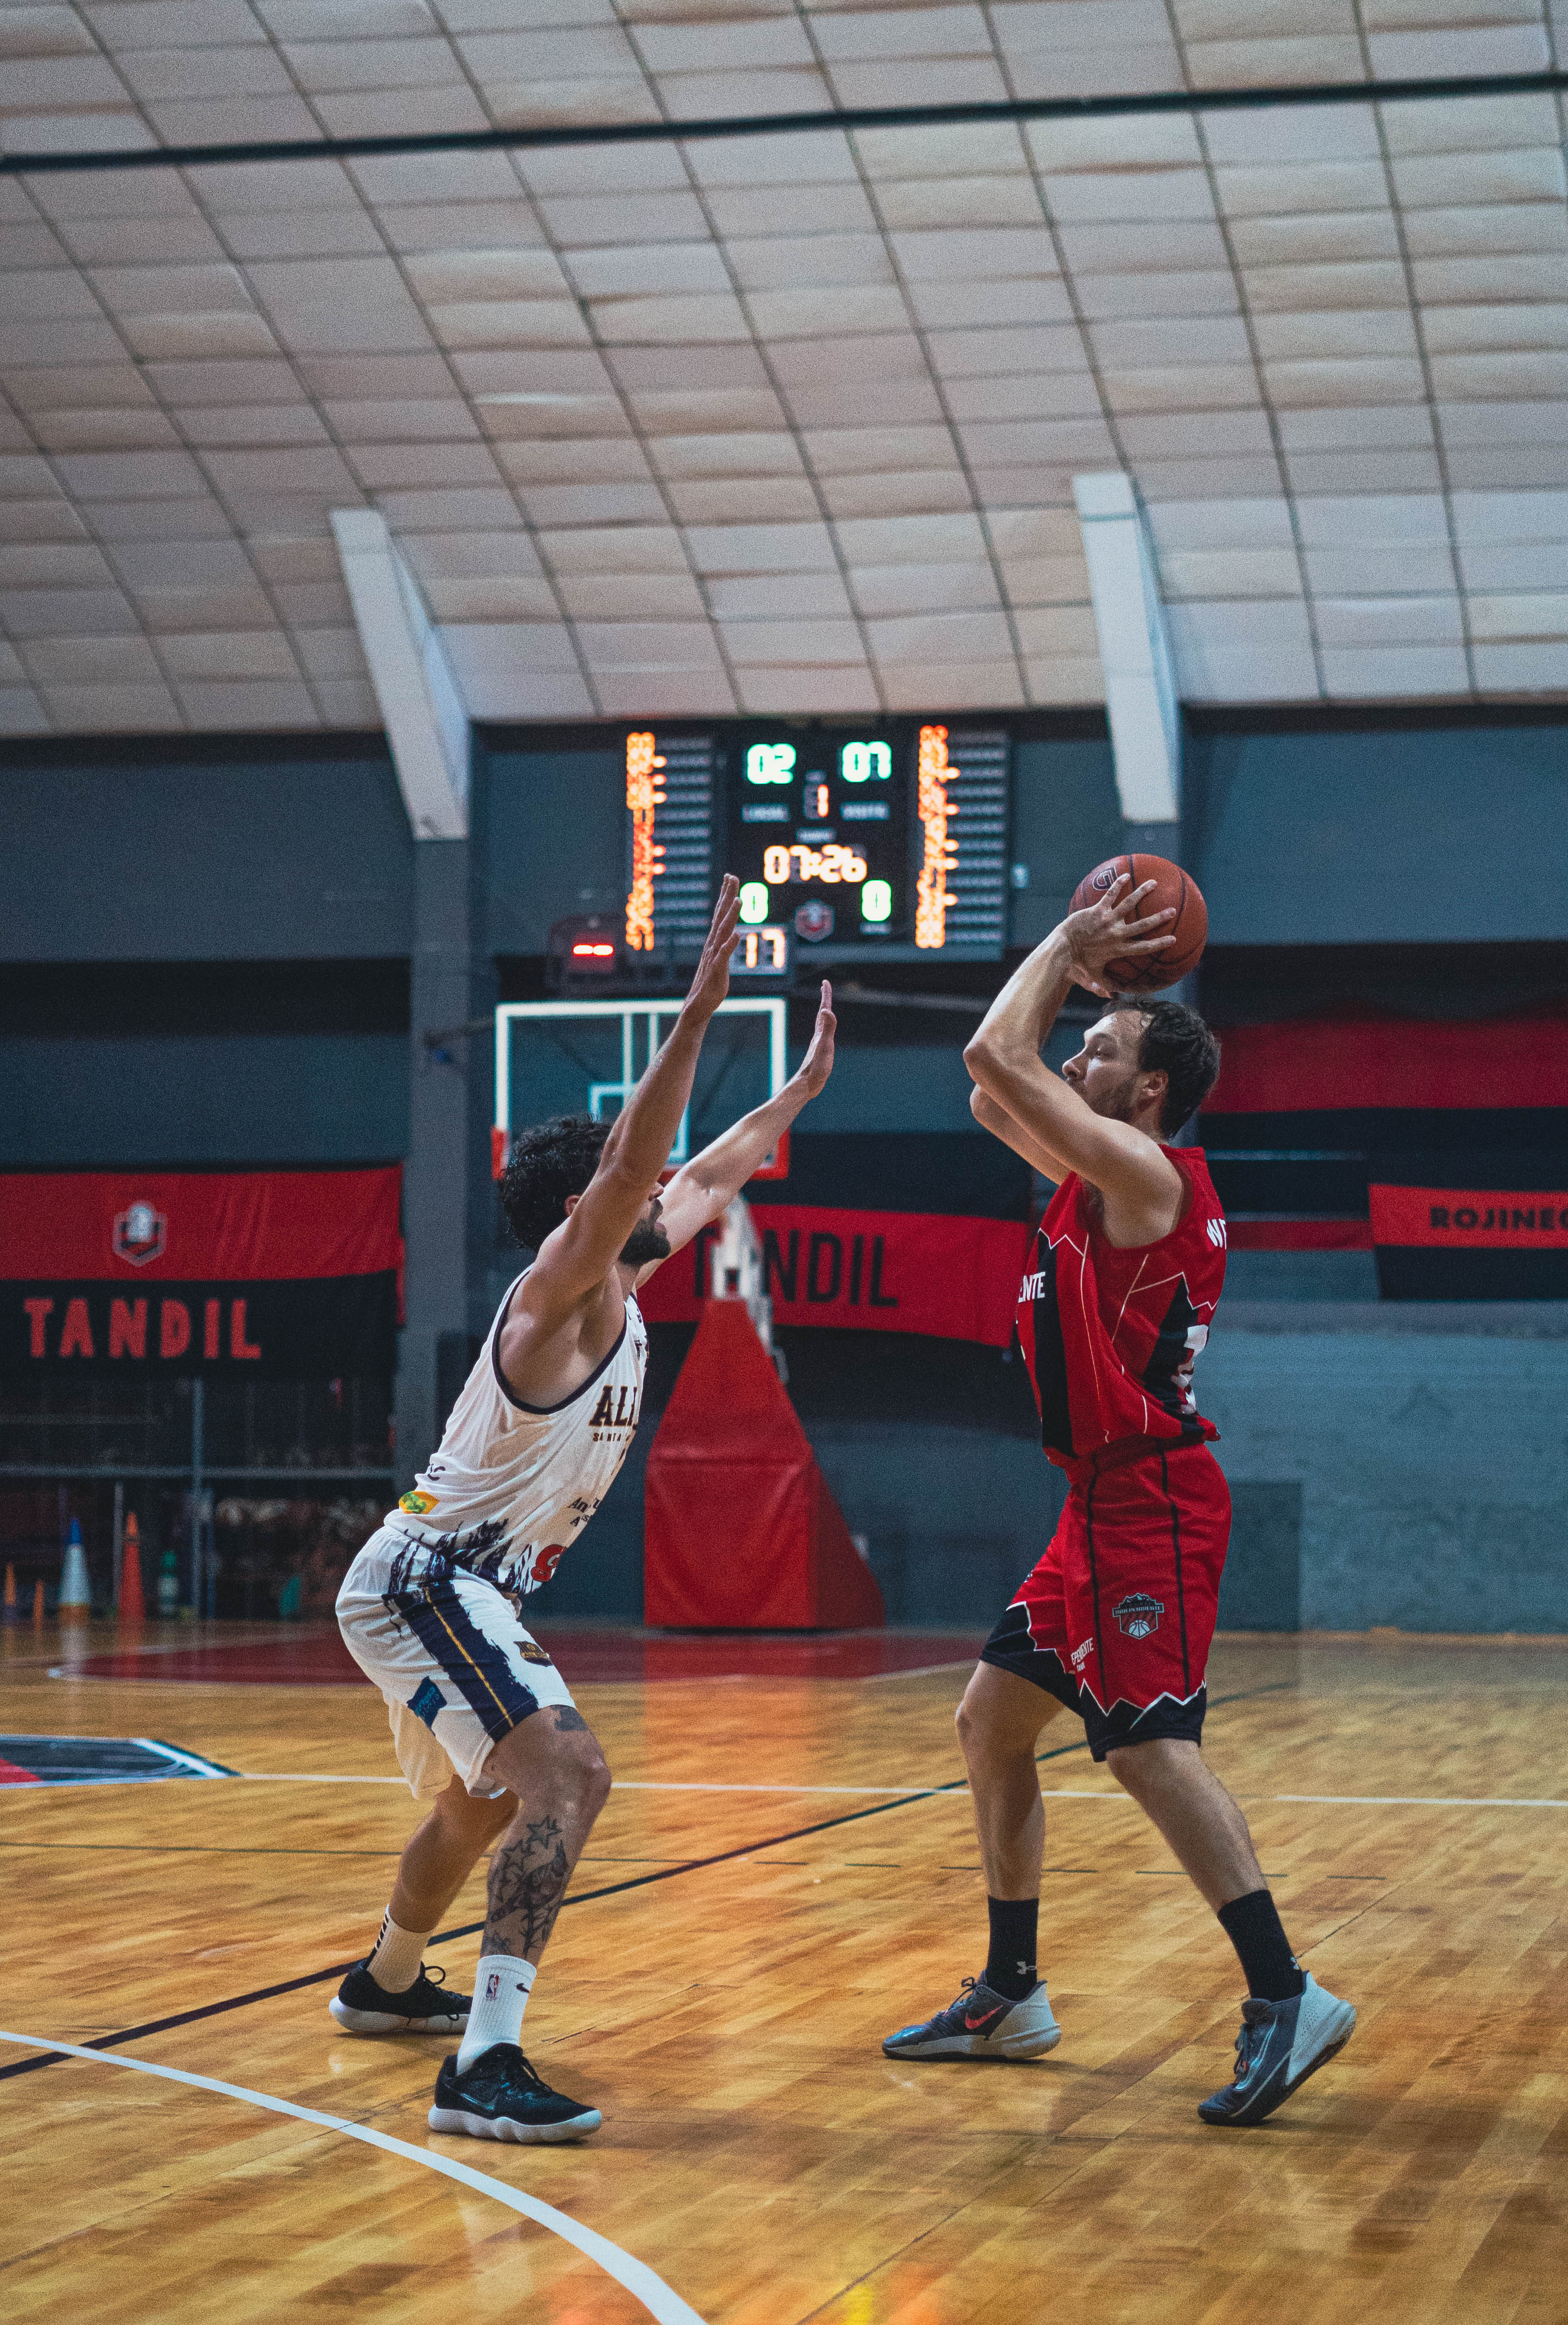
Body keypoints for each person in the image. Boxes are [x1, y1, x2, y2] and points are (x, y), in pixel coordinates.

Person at [333, 875, 838, 2144]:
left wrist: (791, 1096)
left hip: (453, 1587)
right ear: (584, 1215)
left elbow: (710, 1170)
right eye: (635, 1188)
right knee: (570, 1775)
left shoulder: (620, 1284)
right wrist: (698, 1013)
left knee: (486, 1800)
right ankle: (484, 2067)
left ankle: (384, 1984)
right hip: (426, 1580)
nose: (662, 1192)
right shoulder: (556, 1299)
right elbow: (637, 1168)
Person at [883, 869, 1353, 2127]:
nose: (1073, 1056)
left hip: (1152, 1504)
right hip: (1091, 1507)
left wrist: (1068, 942)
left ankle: (1285, 1994)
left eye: (1097, 1048)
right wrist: (1071, 980)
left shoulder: (1148, 1180)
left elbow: (993, 1052)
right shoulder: (1095, 1177)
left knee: (1147, 1744)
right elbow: (991, 1088)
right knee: (992, 1725)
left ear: (1147, 1092)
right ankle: (1011, 1991)